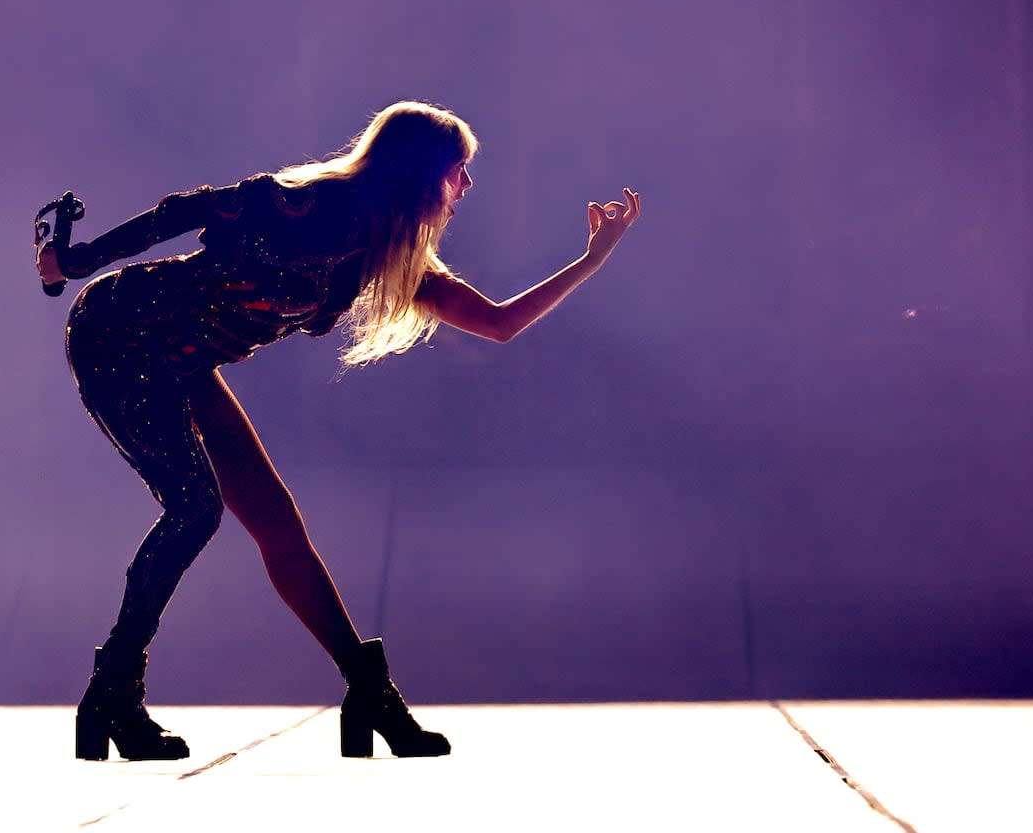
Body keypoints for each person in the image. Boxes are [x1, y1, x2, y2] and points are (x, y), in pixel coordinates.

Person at [35, 100, 641, 761]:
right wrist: (76, 260)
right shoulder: (314, 205)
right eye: (459, 169)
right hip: (119, 331)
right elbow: (187, 210)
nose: (467, 186)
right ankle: (113, 695)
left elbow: (496, 322)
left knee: (276, 523)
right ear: (420, 172)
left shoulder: (386, 256)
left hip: (180, 356)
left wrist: (593, 259)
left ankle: (368, 694)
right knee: (194, 508)